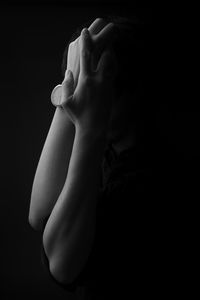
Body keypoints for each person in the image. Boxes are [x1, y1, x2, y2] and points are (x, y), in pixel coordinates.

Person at [29, 15, 153, 299]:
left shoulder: (140, 182)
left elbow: (61, 263)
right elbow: (41, 215)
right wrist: (70, 83)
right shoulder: (108, 152)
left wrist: (89, 126)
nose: (82, 96)